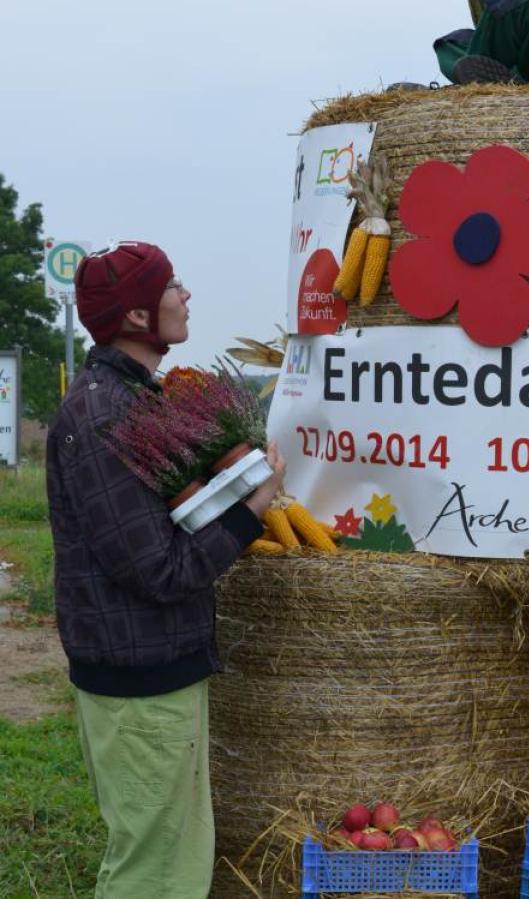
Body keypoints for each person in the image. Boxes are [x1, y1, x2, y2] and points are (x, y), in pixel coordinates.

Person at [46, 241, 286, 898]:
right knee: (153, 871)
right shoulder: (104, 414)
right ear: (135, 317)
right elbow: (159, 568)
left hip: (152, 671)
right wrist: (251, 510)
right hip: (140, 681)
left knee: (173, 859)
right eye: (171, 285)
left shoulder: (129, 399)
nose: (185, 295)